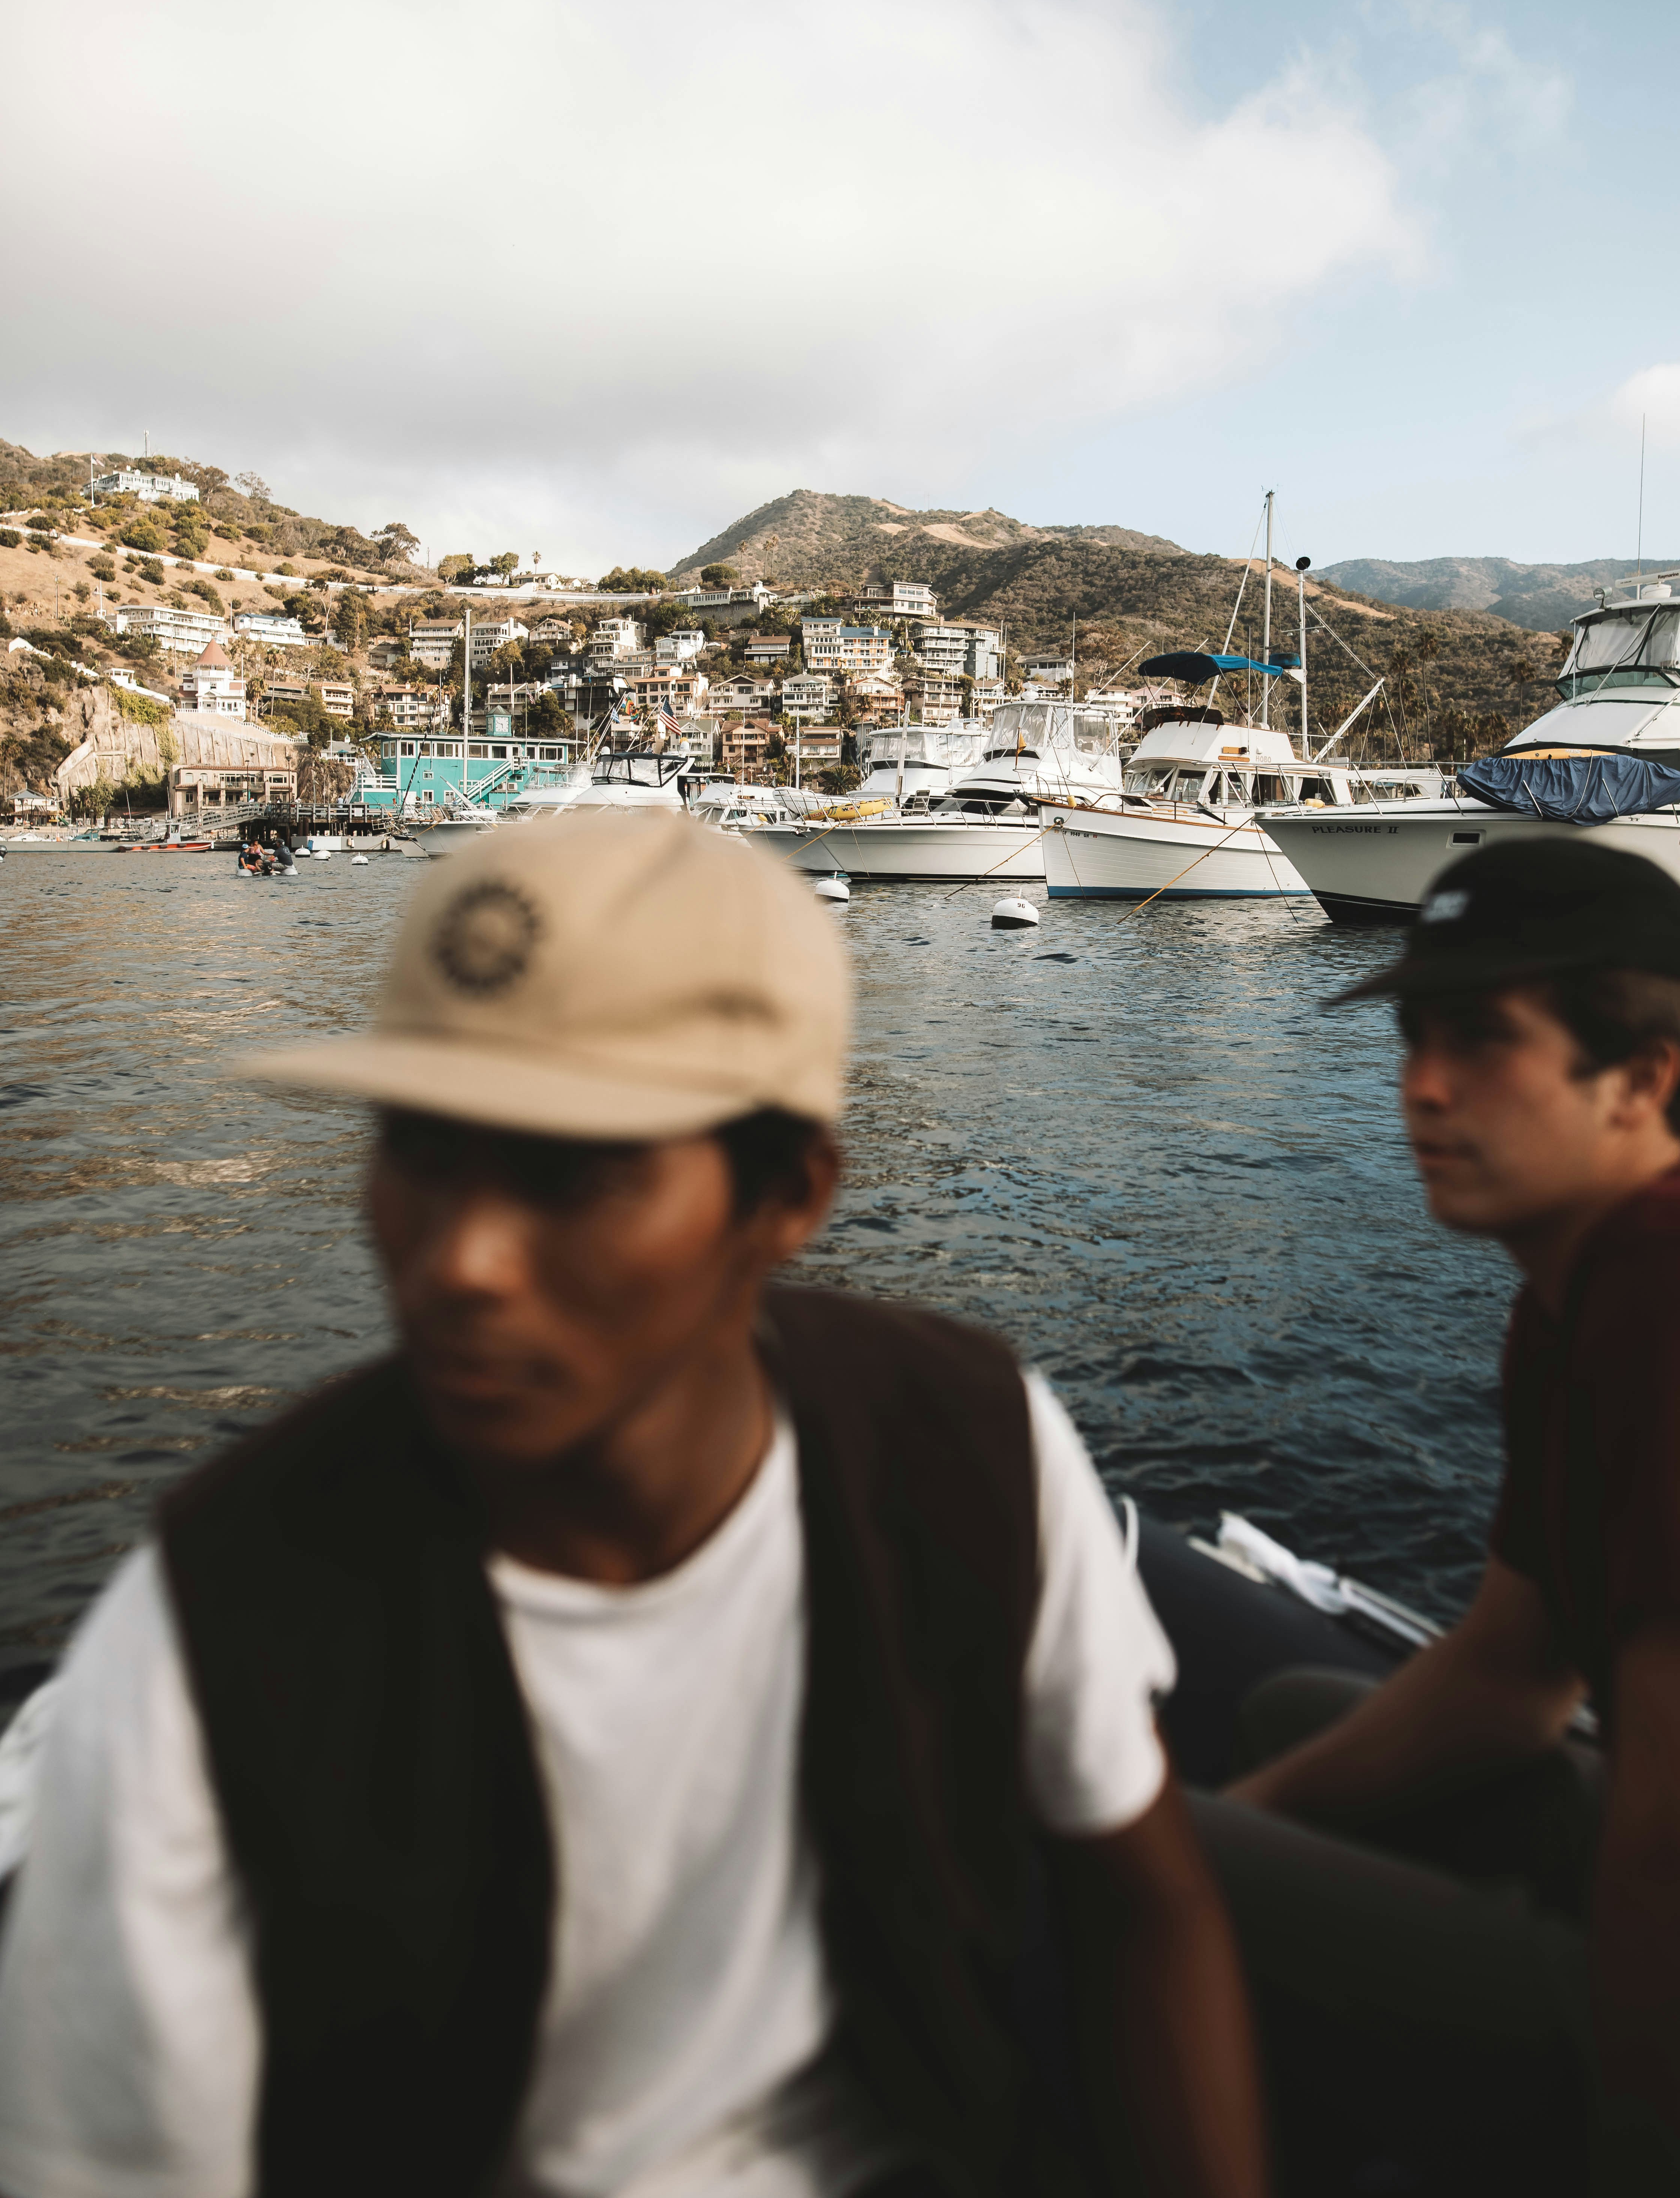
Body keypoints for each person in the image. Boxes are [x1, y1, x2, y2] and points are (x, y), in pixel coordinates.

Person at [0, 811, 1266, 2198]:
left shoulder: (963, 1442)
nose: (466, 1263)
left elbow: (1140, 1905)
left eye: (572, 1172)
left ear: (787, 1196)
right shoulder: (215, 1636)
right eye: (422, 1148)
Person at [1195, 839, 1680, 2194]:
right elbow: (1517, 1672)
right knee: (1290, 1716)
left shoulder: (1661, 1296)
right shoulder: (1576, 1285)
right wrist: (1260, 1812)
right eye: (1414, 1035)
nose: (1420, 1087)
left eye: (1481, 1041)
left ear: (1644, 1077)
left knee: (1146, 1870)